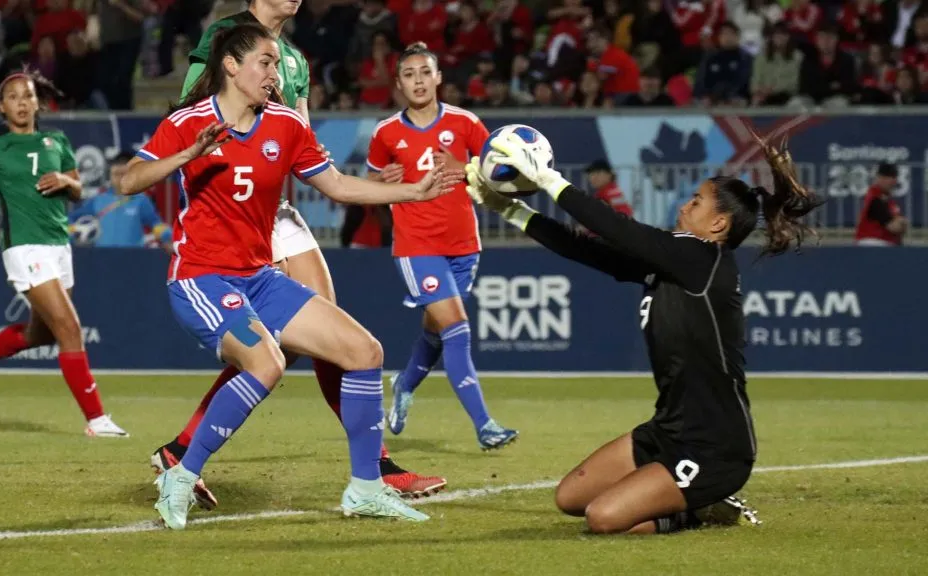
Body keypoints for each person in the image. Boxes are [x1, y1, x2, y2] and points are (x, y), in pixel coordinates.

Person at [119, 23, 465, 529]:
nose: (274, 73)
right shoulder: (187, 122)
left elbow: (339, 186)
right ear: (232, 67)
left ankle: (366, 488)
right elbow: (128, 179)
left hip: (258, 276)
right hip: (202, 278)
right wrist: (189, 153)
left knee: (364, 352)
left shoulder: (285, 125)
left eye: (277, 63)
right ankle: (181, 473)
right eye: (265, 62)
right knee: (267, 363)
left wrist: (414, 192)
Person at [465, 127, 824, 534]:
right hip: (667, 429)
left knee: (603, 519)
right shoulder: (675, 261)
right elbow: (585, 248)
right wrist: (509, 210)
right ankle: (673, 495)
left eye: (696, 201)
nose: (685, 206)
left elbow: (619, 229)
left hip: (716, 447)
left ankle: (703, 509)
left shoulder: (703, 259)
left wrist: (550, 180)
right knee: (570, 499)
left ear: (719, 223)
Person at [0, 70, 128, 438]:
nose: (22, 103)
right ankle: (96, 419)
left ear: (37, 102)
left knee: (41, 335)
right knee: (70, 328)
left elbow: (77, 190)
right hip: (23, 246)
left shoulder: (56, 141)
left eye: (27, 96)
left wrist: (65, 181)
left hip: (59, 245)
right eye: (13, 97)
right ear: (1, 107)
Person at [366, 42, 518, 450]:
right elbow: (371, 183)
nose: (418, 80)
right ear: (398, 83)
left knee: (436, 333)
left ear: (438, 78)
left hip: (464, 245)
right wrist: (382, 183)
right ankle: (485, 425)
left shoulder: (466, 124)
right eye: (409, 74)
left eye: (424, 72)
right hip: (417, 247)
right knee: (456, 327)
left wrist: (465, 169)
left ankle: (404, 383)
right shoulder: (385, 134)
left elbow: (497, 177)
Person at [68, 151, 174, 252]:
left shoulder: (141, 200)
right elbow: (72, 219)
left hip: (132, 257)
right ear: (110, 175)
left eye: (123, 174)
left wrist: (167, 238)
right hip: (101, 258)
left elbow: (155, 223)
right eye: (116, 174)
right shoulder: (98, 200)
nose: (119, 179)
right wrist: (71, 233)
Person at [855, 162, 907, 246]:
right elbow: (894, 227)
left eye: (893, 177)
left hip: (885, 244)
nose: (892, 181)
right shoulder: (875, 199)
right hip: (871, 243)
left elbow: (901, 226)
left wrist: (901, 222)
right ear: (879, 178)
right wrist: (902, 222)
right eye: (887, 177)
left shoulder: (889, 201)